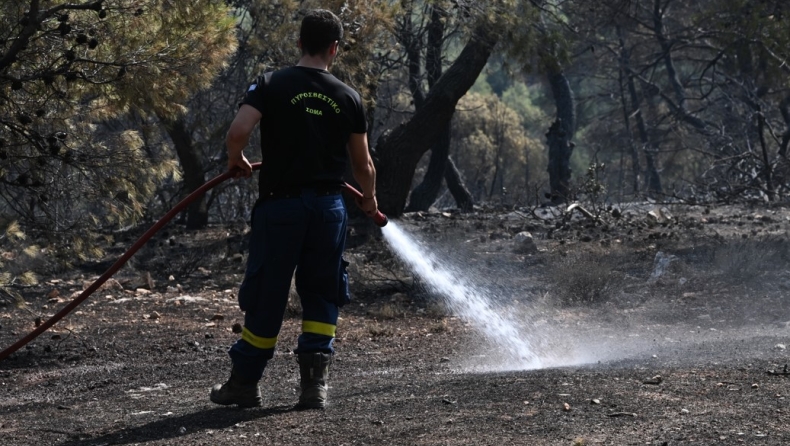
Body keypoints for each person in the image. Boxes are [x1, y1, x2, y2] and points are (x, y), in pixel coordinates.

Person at [210, 9, 378, 410]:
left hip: (280, 207)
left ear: (300, 42)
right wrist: (369, 198)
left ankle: (245, 384)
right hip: (328, 209)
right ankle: (313, 387)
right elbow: (363, 166)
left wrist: (236, 159)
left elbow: (238, 131)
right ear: (334, 48)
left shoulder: (270, 83)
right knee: (322, 290)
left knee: (267, 291)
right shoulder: (348, 96)